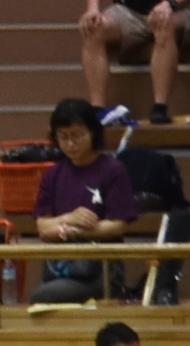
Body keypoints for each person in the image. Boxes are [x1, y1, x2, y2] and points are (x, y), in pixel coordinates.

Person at [28, 95, 143, 303]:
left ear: (93, 132)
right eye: (63, 137)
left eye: (77, 136)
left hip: (102, 270)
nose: (70, 144)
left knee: (43, 297)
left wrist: (72, 231)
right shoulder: (53, 174)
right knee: (45, 295)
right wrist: (69, 218)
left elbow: (117, 226)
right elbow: (43, 226)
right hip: (61, 266)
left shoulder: (113, 170)